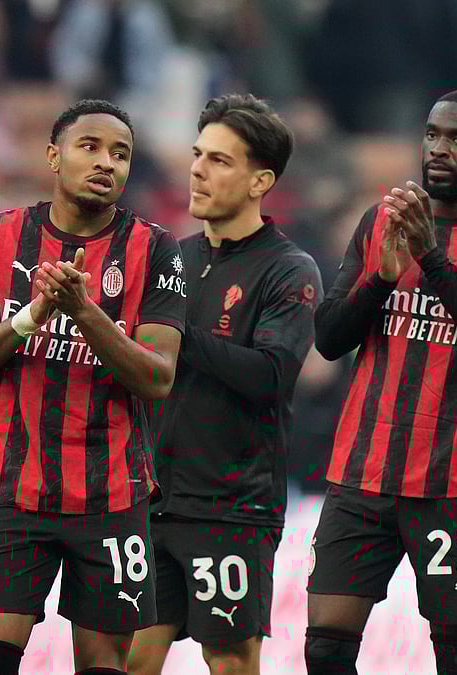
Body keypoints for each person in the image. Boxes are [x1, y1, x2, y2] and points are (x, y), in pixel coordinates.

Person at [304, 88, 457, 675]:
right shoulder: (377, 224)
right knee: (325, 649)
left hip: (455, 484)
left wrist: (433, 261)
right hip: (363, 477)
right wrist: (381, 280)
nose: (439, 149)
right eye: (433, 135)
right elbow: (330, 338)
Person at [0, 99, 185, 674]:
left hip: (111, 498)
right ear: (53, 156)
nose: (106, 163)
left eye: (120, 154)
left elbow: (157, 378)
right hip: (14, 489)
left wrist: (83, 312)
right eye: (89, 147)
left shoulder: (156, 250)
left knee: (102, 667)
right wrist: (28, 317)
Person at [127, 94, 321, 675]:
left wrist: (175, 334)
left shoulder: (289, 269)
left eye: (219, 160)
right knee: (132, 658)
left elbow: (270, 375)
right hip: (154, 495)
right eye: (196, 154)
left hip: (234, 504)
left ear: (260, 180)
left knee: (230, 659)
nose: (198, 170)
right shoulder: (169, 259)